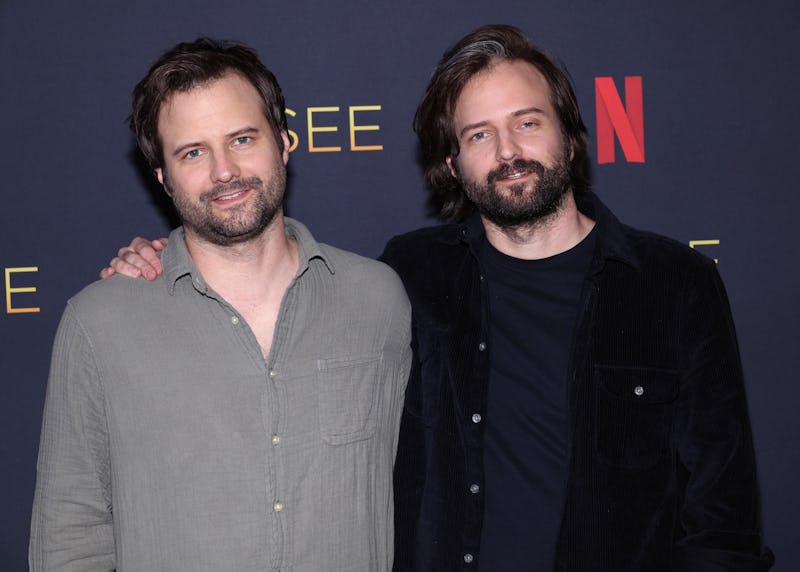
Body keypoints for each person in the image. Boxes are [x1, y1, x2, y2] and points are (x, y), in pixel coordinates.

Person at [102, 26, 773, 571]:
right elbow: (267, 276)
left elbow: (721, 515)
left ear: (570, 134)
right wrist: (166, 261)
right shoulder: (409, 275)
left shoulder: (675, 284)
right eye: (478, 135)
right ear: (453, 164)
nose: (507, 152)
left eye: (527, 123)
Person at [30, 38, 411, 571]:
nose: (224, 171)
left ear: (283, 141)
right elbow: (70, 538)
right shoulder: (99, 325)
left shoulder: (379, 301)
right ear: (161, 177)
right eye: (193, 152)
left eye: (242, 138)